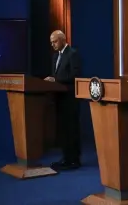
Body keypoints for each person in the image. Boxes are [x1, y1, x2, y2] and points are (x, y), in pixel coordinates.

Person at [44, 30, 82, 171]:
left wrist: (56, 80)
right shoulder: (55, 57)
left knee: (71, 130)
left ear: (62, 40)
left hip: (70, 99)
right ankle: (66, 158)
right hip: (59, 98)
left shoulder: (72, 54)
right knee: (63, 130)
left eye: (54, 41)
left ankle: (74, 160)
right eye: (51, 42)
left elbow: (75, 75)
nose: (52, 44)